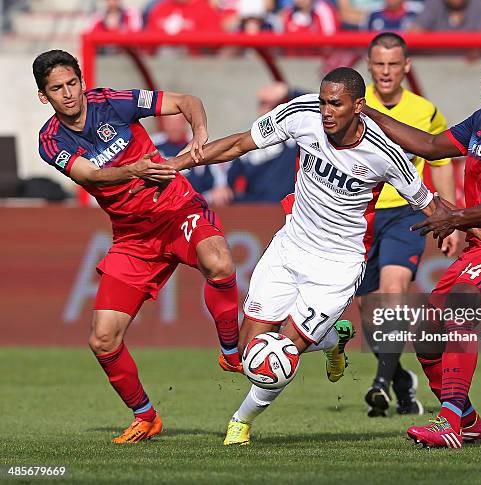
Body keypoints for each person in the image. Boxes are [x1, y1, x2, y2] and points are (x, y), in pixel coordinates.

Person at [151, 67, 448, 445]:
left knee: (281, 355)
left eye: (335, 104)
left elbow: (432, 206)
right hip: (289, 248)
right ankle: (332, 339)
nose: (325, 111)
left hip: (337, 265)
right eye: (323, 101)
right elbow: (241, 144)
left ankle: (240, 423)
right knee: (248, 353)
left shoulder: (384, 153)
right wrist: (178, 164)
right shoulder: (301, 113)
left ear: (359, 106)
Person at [34, 50, 240, 444]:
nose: (68, 94)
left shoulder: (112, 101)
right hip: (133, 238)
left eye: (72, 83)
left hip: (177, 209)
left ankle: (231, 352)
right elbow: (93, 176)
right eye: (57, 89)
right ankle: (146, 416)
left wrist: (199, 134)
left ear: (82, 81)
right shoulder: (50, 140)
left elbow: (185, 102)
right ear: (44, 97)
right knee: (103, 339)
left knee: (219, 261)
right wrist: (134, 169)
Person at [364, 48, 481, 448]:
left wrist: (456, 219)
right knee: (428, 333)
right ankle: (467, 418)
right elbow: (431, 145)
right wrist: (372, 115)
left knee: (459, 309)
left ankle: (448, 420)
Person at [359, 32, 460, 418]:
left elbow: (440, 161)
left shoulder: (425, 110)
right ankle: (399, 378)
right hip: (362, 216)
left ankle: (380, 384)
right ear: (369, 65)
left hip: (407, 213)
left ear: (406, 67)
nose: (386, 72)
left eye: (393, 65)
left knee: (393, 291)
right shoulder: (354, 104)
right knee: (370, 311)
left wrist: (450, 219)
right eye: (379, 64)